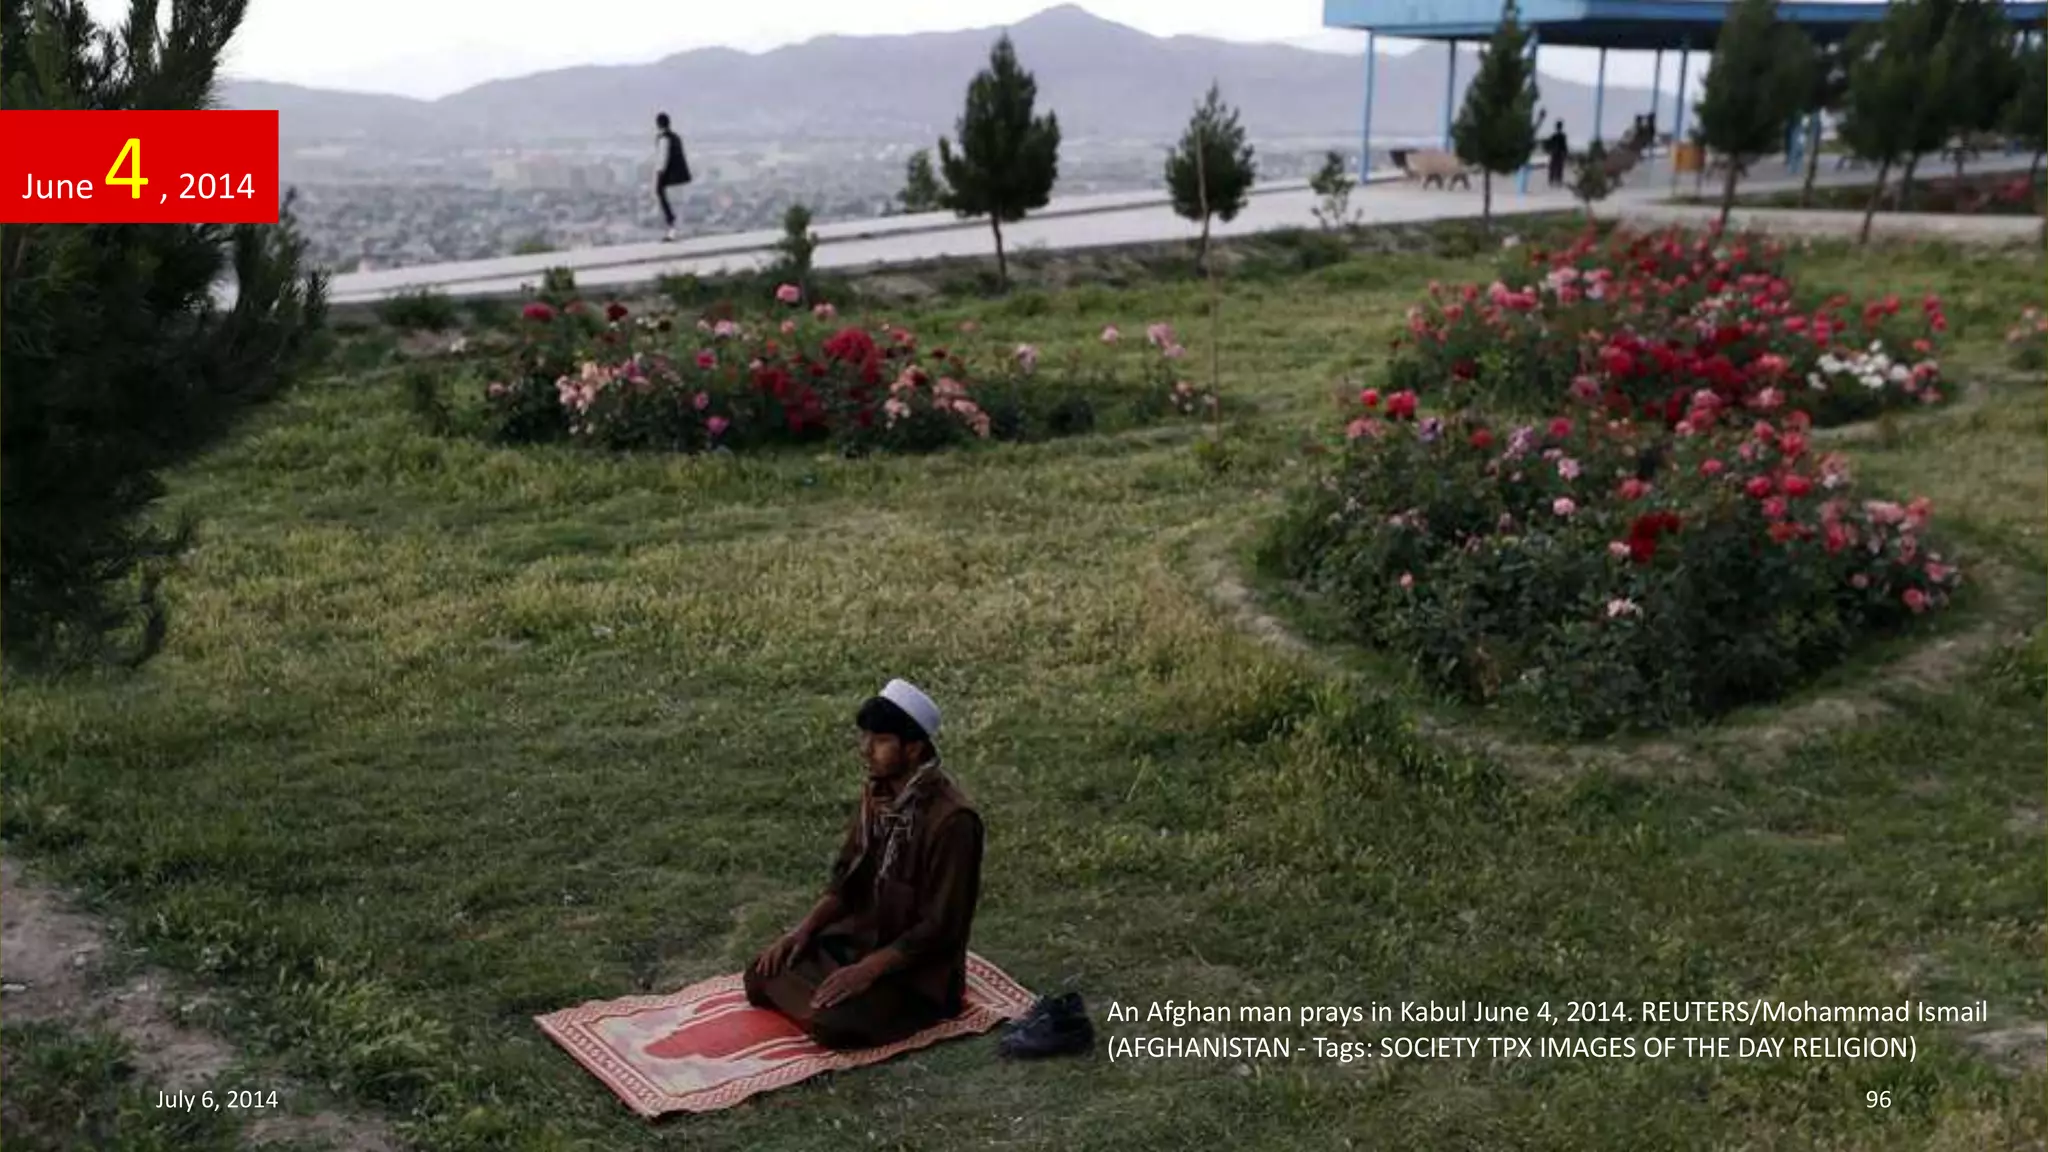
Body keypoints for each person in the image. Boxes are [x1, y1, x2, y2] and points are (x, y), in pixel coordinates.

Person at [744, 680, 985, 1051]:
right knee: (760, 975)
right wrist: (802, 932)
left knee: (834, 1025)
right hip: (859, 943)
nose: (866, 750)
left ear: (914, 747)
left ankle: (843, 1002)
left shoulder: (953, 821)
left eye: (881, 741)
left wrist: (869, 970)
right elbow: (847, 881)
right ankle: (831, 993)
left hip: (914, 971)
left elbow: (941, 927)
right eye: (865, 737)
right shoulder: (877, 795)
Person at [653, 112, 692, 242]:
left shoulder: (663, 139)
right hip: (681, 177)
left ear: (658, 124)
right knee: (678, 206)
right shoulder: (676, 137)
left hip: (670, 179)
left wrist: (659, 179)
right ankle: (676, 232)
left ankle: (672, 232)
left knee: (670, 206)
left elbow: (661, 160)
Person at [1544, 120, 1570, 189]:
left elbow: (1549, 144)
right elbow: (1564, 146)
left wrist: (1549, 150)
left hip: (1555, 153)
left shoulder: (1554, 136)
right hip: (1559, 153)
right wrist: (1566, 153)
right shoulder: (1561, 136)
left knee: (1554, 167)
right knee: (1558, 167)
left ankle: (1552, 180)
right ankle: (1557, 180)